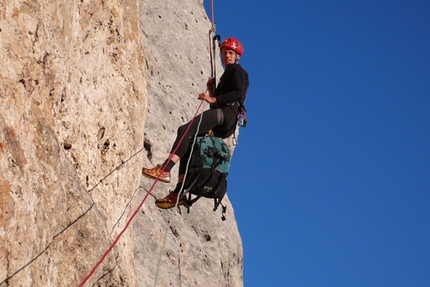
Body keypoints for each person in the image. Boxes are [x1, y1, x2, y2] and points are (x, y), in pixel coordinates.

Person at [142, 37, 249, 209]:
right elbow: (222, 100)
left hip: (227, 114)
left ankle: (165, 169)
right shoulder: (228, 74)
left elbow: (237, 94)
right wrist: (213, 90)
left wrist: (213, 97)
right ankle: (179, 191)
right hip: (224, 116)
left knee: (185, 130)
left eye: (230, 53)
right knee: (190, 143)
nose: (227, 56)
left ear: (237, 56)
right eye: (224, 53)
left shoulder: (237, 71)